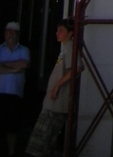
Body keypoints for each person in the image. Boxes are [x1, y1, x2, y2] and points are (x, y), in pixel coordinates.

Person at [25, 18, 81, 157]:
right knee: (45, 142)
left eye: (61, 30)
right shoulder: (65, 48)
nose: (57, 33)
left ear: (71, 33)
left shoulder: (70, 48)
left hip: (56, 104)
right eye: (57, 30)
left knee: (41, 142)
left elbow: (76, 68)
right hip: (52, 103)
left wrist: (57, 86)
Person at [0, 22, 30, 157]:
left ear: (18, 35)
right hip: (0, 93)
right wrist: (15, 69)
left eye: (14, 32)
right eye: (8, 31)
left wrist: (4, 66)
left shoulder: (24, 50)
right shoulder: (0, 49)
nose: (11, 34)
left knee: (12, 129)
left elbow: (24, 64)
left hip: (15, 94)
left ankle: (11, 154)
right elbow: (19, 65)